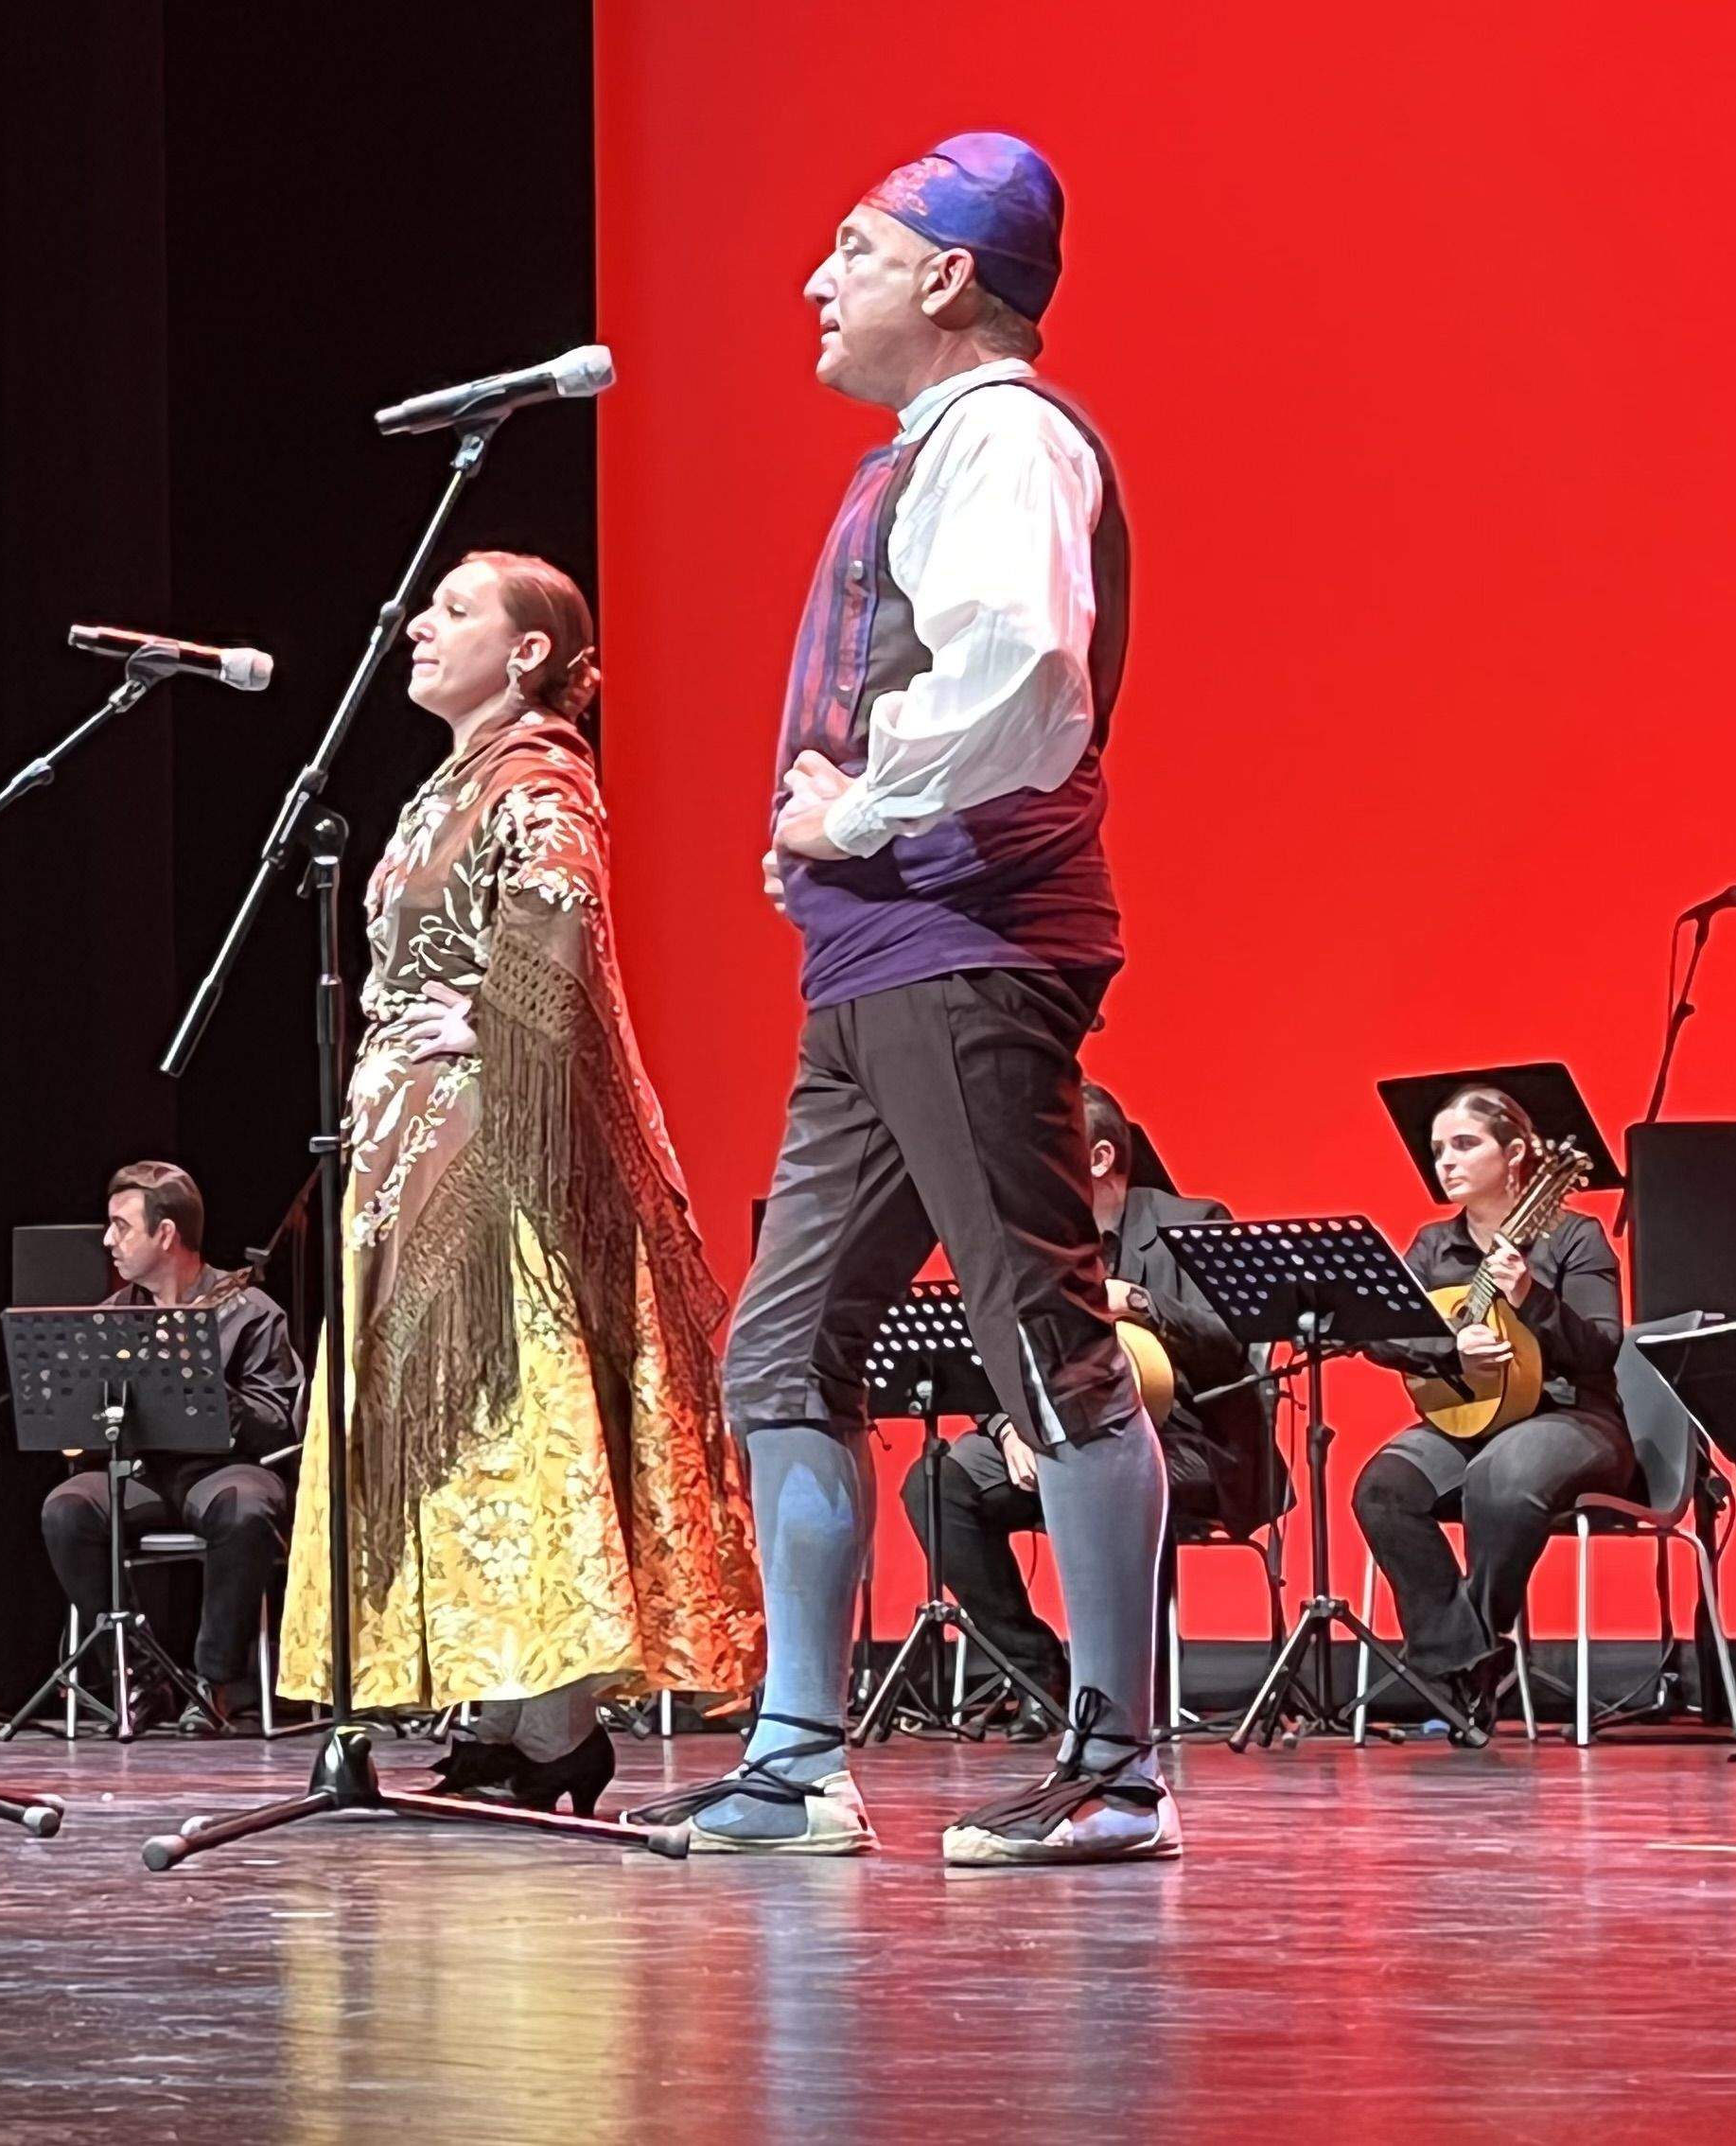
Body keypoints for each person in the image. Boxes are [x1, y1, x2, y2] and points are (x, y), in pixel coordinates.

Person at [682, 132, 1179, 1864]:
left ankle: (1117, 1765)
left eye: (852, 249)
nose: (818, 284)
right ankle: (797, 1754)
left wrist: (865, 812)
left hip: (965, 943)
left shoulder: (1005, 438)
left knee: (1043, 1340)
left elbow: (1025, 673)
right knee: (782, 1346)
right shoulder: (922, 455)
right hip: (876, 952)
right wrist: (824, 844)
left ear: (949, 276)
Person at [277, 549, 762, 1821]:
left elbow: (558, 928)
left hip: (494, 1142)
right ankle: (492, 1708)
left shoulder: (541, 779)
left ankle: (554, 1725)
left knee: (505, 1404)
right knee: (448, 1415)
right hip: (411, 1139)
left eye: (454, 610)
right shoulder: (447, 784)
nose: (418, 627)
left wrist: (488, 1027)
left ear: (531, 652)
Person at [900, 1083, 1273, 1727]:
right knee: (939, 1483)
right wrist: (1010, 1426)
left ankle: (1123, 1700)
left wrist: (1144, 1305)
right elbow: (993, 1354)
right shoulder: (1030, 1247)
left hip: (1187, 1443)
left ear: (1097, 1157)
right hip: (1059, 1434)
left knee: (1118, 1471)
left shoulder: (1193, 1222)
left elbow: (1234, 1347)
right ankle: (1040, 1669)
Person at [1351, 1086, 1630, 1732]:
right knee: (1383, 1489)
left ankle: (1465, 1656)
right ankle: (1467, 1659)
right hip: (1466, 1417)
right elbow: (1380, 1333)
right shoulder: (1431, 1246)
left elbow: (1601, 1349)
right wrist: (1450, 1347)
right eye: (1439, 1150)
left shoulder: (1573, 1237)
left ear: (1516, 1154)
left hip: (1572, 1416)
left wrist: (1534, 1299)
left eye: (1465, 1145)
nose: (1446, 1161)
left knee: (1502, 1480)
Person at [36, 1161, 302, 1733]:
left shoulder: (250, 1311)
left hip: (224, 1470)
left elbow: (277, 1421)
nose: (108, 1240)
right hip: (142, 1474)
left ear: (166, 1233)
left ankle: (214, 1682)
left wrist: (203, 1382)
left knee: (247, 1509)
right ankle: (142, 1678)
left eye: (121, 1226)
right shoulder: (112, 1319)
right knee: (67, 1509)